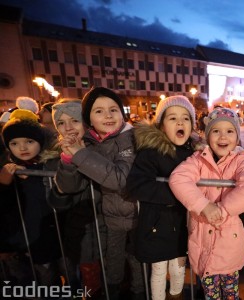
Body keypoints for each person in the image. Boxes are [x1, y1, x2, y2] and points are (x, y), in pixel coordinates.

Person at [54, 87, 144, 300]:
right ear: (89, 119)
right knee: (111, 265)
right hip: (104, 221)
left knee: (136, 264)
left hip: (134, 218)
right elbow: (70, 187)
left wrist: (80, 154)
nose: (108, 116)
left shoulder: (129, 139)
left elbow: (120, 179)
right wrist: (69, 159)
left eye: (114, 109)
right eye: (99, 111)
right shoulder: (89, 144)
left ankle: (138, 294)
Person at [168, 107, 244, 299]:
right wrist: (204, 205)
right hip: (202, 242)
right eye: (216, 131)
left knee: (231, 294)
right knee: (210, 295)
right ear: (207, 135)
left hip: (229, 244)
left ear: (237, 137)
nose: (223, 136)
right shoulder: (197, 160)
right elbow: (178, 178)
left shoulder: (241, 161)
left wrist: (222, 209)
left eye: (229, 131)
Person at [126, 96, 199, 300]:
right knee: (158, 271)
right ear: (161, 125)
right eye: (172, 118)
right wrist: (180, 194)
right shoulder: (151, 152)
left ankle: (176, 296)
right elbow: (137, 185)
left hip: (182, 225)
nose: (180, 122)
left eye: (186, 118)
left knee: (178, 270)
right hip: (157, 224)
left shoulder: (195, 154)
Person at [41, 99, 106, 297]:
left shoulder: (104, 151)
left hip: (109, 232)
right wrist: (68, 165)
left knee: (116, 283)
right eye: (61, 123)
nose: (68, 127)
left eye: (74, 121)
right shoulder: (53, 159)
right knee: (90, 286)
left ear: (86, 122)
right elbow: (56, 202)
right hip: (80, 237)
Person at [0, 109, 62, 287]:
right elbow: (5, 206)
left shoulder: (49, 164)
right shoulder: (9, 169)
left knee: (66, 272)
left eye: (29, 141)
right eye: (14, 143)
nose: (22, 148)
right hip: (31, 237)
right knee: (45, 276)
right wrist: (4, 184)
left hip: (57, 232)